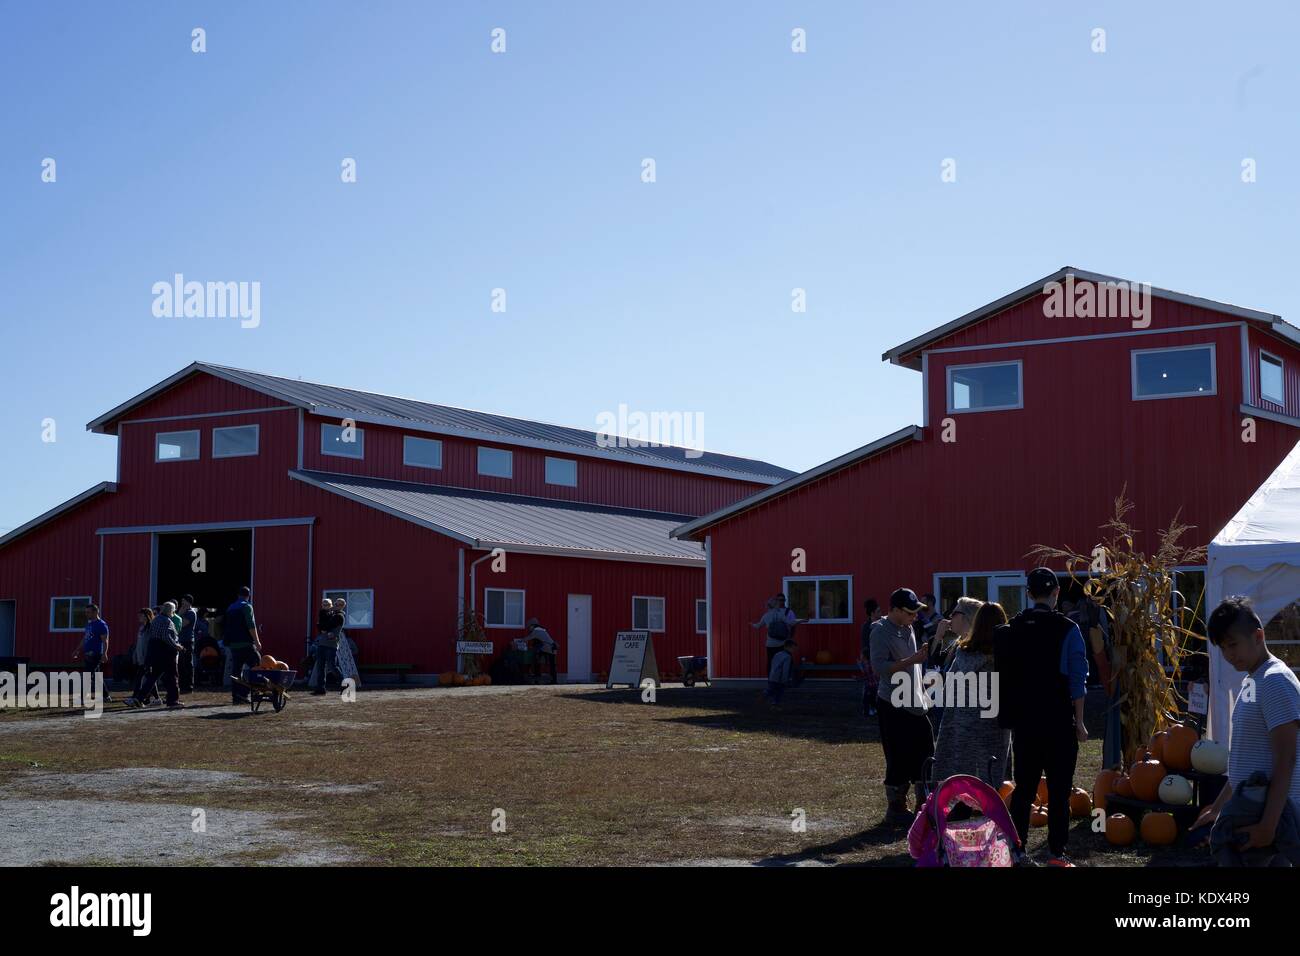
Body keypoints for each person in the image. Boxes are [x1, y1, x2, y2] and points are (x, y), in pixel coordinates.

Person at [1194, 596, 1300, 865]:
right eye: (1222, 648)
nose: (1229, 655)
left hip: (1271, 814)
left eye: (1233, 645)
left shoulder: (1275, 681)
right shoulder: (1254, 680)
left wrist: (1268, 825)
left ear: (1258, 636)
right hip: (1252, 808)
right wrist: (1218, 808)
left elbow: (1286, 759)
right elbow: (1247, 759)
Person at [994, 567, 1088, 867]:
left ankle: (1017, 850)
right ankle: (1056, 853)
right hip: (1058, 721)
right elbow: (1077, 680)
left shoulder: (1011, 629)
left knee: (1024, 788)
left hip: (1024, 723)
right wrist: (1081, 722)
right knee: (1059, 791)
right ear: (1056, 593)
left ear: (1029, 594)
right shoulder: (1068, 629)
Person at [869, 588, 934, 824]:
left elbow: (915, 665)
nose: (914, 616)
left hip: (915, 698)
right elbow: (879, 667)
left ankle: (923, 802)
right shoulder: (879, 630)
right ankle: (896, 807)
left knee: (926, 747)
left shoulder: (908, 627)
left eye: (916, 612)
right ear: (894, 610)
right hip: (893, 702)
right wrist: (912, 660)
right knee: (897, 754)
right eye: (909, 612)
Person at [932, 600, 1009, 784]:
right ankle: (994, 802)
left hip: (963, 720)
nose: (950, 618)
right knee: (992, 770)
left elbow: (944, 679)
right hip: (995, 720)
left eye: (954, 613)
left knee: (962, 768)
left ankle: (962, 802)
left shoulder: (963, 652)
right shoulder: (1006, 653)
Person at [130, 602, 183, 708]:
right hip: (166, 653)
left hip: (155, 653)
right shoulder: (166, 621)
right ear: (170, 611)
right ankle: (173, 701)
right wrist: (177, 646)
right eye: (173, 610)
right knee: (172, 677)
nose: (173, 612)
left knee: (152, 677)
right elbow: (166, 637)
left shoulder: (156, 620)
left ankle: (139, 698)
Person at [224, 586, 263, 704]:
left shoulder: (230, 608)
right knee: (257, 666)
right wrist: (257, 641)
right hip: (246, 643)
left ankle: (236, 696)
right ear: (248, 596)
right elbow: (251, 625)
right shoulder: (247, 606)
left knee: (236, 670)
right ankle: (252, 693)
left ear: (238, 595)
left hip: (233, 645)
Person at [73, 603, 112, 702]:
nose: (86, 614)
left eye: (88, 612)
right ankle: (106, 696)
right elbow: (85, 638)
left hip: (96, 654)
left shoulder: (101, 625)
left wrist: (104, 653)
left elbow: (105, 640)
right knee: (97, 677)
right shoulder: (89, 624)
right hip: (87, 654)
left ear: (95, 612)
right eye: (86, 612)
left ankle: (82, 698)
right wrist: (78, 649)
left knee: (87, 675)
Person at [752, 594, 801, 671]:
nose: (780, 603)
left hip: (770, 644)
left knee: (770, 662)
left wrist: (752, 624)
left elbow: (757, 626)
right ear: (775, 605)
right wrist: (801, 621)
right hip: (781, 643)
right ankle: (781, 679)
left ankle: (771, 679)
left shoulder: (766, 615)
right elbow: (790, 623)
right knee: (783, 661)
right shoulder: (781, 614)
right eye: (778, 602)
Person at [310, 598, 344, 695]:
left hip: (331, 645)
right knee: (320, 667)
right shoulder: (329, 614)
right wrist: (321, 626)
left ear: (342, 606)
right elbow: (321, 625)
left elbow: (325, 626)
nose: (337, 605)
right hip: (322, 643)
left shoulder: (339, 616)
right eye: (336, 604)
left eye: (339, 604)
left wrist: (322, 627)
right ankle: (320, 689)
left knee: (332, 666)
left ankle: (345, 684)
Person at [859, 598, 883, 718]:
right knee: (870, 686)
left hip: (877, 658)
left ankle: (873, 707)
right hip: (868, 659)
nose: (880, 613)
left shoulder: (881, 625)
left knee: (875, 686)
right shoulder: (867, 627)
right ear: (872, 613)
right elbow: (866, 646)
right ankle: (867, 708)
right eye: (878, 611)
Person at [525, 617, 558, 684]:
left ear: (532, 625)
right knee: (552, 665)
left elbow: (528, 638)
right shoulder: (542, 629)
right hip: (552, 647)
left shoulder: (536, 631)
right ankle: (553, 680)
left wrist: (519, 640)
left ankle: (538, 679)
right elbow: (538, 640)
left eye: (529, 627)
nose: (529, 629)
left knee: (537, 661)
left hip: (548, 648)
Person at [765, 639, 797, 709]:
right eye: (793, 648)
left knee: (770, 690)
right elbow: (786, 669)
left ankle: (764, 701)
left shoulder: (777, 654)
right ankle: (773, 704)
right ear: (789, 647)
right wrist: (785, 680)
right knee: (778, 692)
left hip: (772, 676)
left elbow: (772, 664)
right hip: (780, 678)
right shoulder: (788, 657)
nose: (794, 650)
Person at [177, 595, 197, 694]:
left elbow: (181, 624)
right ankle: (182, 685)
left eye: (184, 601)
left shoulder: (191, 613)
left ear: (189, 602)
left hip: (187, 641)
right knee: (181, 664)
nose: (182, 603)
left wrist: (179, 614)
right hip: (181, 640)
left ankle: (189, 686)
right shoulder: (185, 612)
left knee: (187, 663)